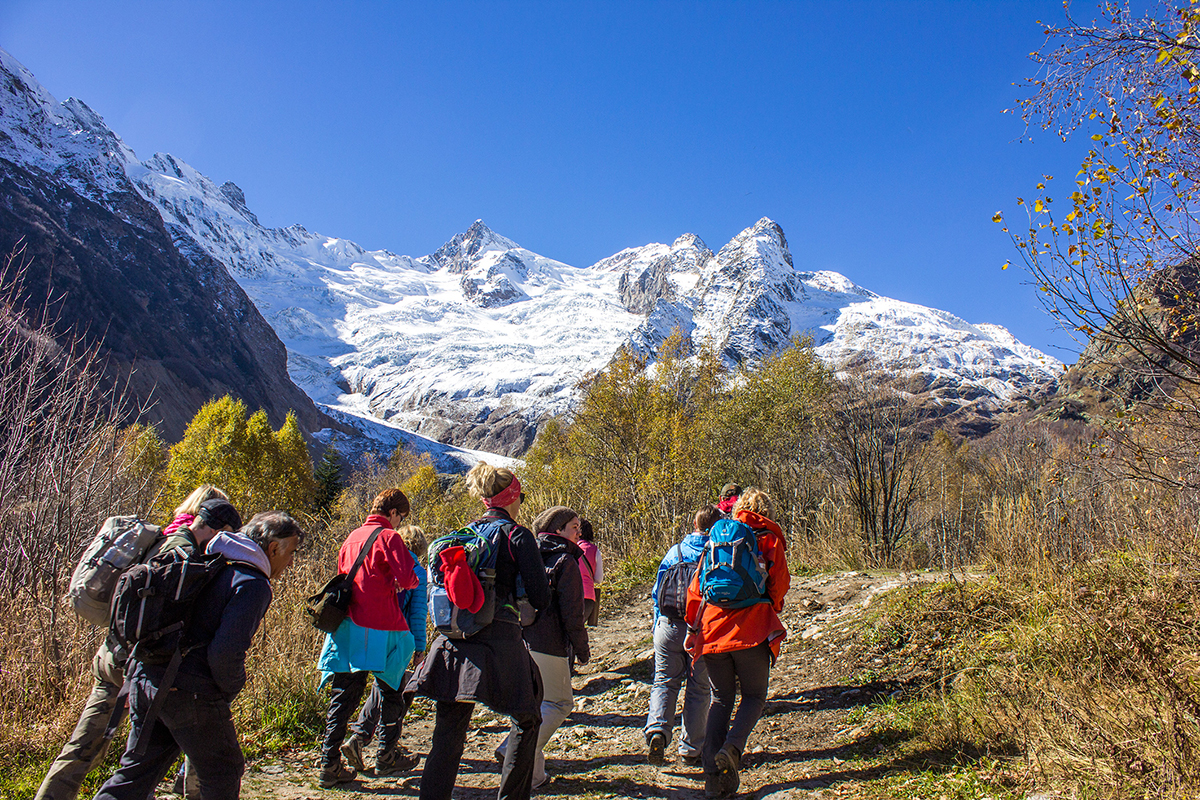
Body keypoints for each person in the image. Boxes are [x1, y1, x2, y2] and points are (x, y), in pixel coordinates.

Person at [35, 490, 235, 800]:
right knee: (143, 755)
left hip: (111, 657)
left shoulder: (155, 538)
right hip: (139, 667)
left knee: (86, 746)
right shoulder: (182, 556)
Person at [94, 510, 304, 800]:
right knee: (224, 771)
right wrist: (228, 690)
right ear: (272, 548)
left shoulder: (212, 562)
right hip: (190, 692)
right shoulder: (253, 583)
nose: (291, 562)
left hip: (147, 676)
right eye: (291, 552)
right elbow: (226, 653)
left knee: (135, 775)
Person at [407, 463, 551, 800]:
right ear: (512, 497)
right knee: (526, 720)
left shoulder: (462, 535)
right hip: (500, 640)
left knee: (448, 731)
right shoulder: (517, 535)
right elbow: (540, 595)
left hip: (452, 641)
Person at [686, 488, 789, 800]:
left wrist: (695, 627)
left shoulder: (718, 536)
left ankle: (711, 780)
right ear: (767, 511)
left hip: (713, 630)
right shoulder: (768, 538)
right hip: (752, 628)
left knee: (720, 699)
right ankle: (732, 748)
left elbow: (696, 588)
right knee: (755, 696)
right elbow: (779, 585)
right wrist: (768, 606)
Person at [317, 489, 420, 787]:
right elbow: (409, 577)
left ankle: (329, 763)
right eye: (401, 517)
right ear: (394, 513)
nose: (400, 523)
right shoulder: (390, 537)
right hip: (383, 624)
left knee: (344, 694)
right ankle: (387, 756)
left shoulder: (352, 537)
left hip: (348, 625)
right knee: (391, 690)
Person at [496, 506, 589, 790]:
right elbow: (573, 614)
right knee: (559, 703)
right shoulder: (565, 561)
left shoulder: (527, 554)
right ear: (558, 530)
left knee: (533, 706)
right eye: (574, 526)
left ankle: (535, 776)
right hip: (549, 643)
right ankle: (512, 747)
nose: (579, 532)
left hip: (519, 639)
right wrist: (582, 649)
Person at [340, 523, 429, 773]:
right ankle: (380, 749)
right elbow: (417, 612)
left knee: (382, 690)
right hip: (397, 636)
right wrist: (420, 648)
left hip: (367, 632)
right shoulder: (416, 572)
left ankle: (362, 739)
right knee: (392, 691)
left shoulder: (378, 560)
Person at [645, 505, 719, 768]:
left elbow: (657, 591)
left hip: (668, 626)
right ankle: (690, 749)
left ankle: (657, 731)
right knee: (698, 689)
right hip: (700, 630)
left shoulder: (675, 551)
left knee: (664, 680)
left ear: (695, 524)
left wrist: (657, 623)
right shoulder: (716, 553)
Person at [577, 519, 603, 626]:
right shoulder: (594, 550)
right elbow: (599, 578)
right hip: (588, 596)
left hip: (571, 595)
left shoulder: (569, 548)